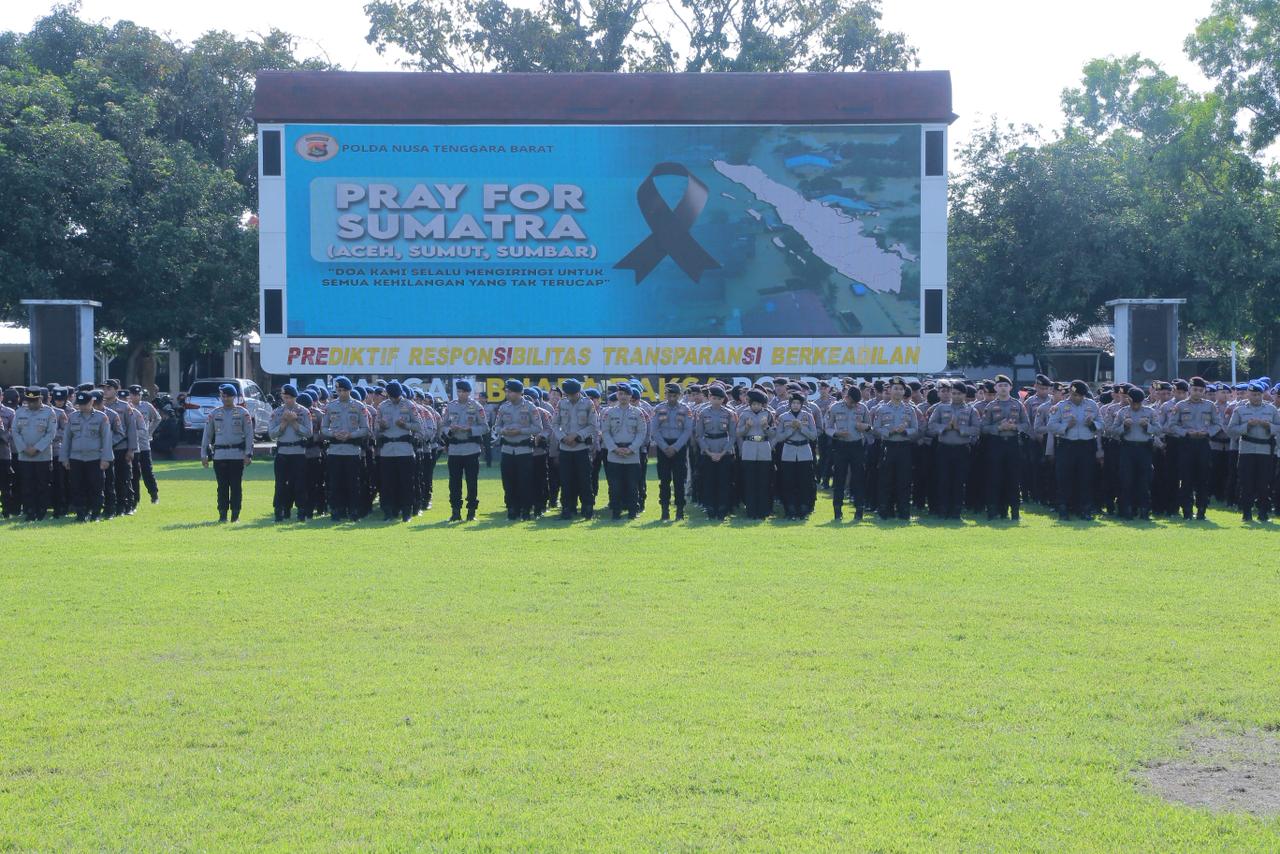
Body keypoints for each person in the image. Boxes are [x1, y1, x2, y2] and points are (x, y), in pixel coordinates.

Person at [1168, 377, 1222, 520]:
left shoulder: (1210, 406)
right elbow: (1172, 425)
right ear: (1190, 390)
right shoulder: (1180, 405)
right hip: (1186, 444)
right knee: (1186, 479)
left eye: (1200, 390)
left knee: (1203, 479)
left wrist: (1208, 432)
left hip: (1203, 444)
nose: (1197, 392)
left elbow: (1218, 424)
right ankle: (1187, 510)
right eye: (1195, 389)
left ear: (1204, 391)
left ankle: (1201, 510)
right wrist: (1186, 432)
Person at [1048, 380, 1102, 521]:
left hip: (1086, 446)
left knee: (1086, 478)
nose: (1077, 398)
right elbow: (1051, 425)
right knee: (1064, 478)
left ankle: (1085, 510)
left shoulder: (1092, 405)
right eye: (1075, 395)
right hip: (1067, 446)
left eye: (1080, 396)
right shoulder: (1060, 406)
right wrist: (1066, 426)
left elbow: (1101, 424)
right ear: (1070, 393)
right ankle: (1064, 509)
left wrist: (1092, 424)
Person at [201, 383, 254, 522]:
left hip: (237, 455)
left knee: (236, 486)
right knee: (222, 487)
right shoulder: (214, 413)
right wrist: (203, 454)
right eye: (222, 396)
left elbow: (249, 435)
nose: (225, 399)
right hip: (220, 456)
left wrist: (248, 453)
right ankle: (222, 515)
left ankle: (235, 515)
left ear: (234, 397)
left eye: (227, 396)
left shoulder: (243, 413)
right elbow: (207, 435)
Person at [1226, 382, 1278, 522]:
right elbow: (1231, 431)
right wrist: (1247, 425)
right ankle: (1246, 513)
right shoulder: (1239, 410)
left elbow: (1279, 427)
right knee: (1246, 483)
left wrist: (1269, 426)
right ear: (1248, 395)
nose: (1257, 397)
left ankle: (1263, 513)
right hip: (1246, 450)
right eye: (1254, 395)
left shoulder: (1271, 409)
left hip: (1265, 450)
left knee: (1264, 483)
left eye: (1259, 394)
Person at [926, 381, 979, 520]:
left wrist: (960, 429)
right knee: (943, 480)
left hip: (962, 450)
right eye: (953, 393)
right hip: (944, 449)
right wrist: (945, 427)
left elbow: (976, 429)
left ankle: (956, 512)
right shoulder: (940, 408)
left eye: (959, 394)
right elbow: (931, 426)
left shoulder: (971, 410)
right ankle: (943, 510)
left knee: (959, 481)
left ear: (964, 394)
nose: (956, 396)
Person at [980, 375, 1029, 521]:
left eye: (1005, 385)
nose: (1003, 388)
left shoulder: (1018, 405)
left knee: (1013, 479)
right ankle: (993, 511)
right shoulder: (990, 406)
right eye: (1000, 385)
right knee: (994, 478)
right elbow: (983, 427)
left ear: (1010, 387)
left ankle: (1014, 512)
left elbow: (1026, 424)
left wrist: (1015, 427)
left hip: (1013, 444)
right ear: (995, 388)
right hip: (996, 444)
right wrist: (998, 428)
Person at [59, 390, 113, 521]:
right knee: (77, 487)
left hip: (95, 458)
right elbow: (67, 439)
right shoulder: (72, 417)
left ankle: (95, 514)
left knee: (96, 487)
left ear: (91, 402)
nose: (82, 406)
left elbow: (107, 439)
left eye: (84, 404)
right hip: (76, 458)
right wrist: (64, 458)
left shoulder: (101, 417)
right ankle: (81, 514)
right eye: (80, 404)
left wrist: (106, 459)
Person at [320, 376, 368, 523]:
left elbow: (365, 429)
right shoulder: (330, 407)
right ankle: (336, 511)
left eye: (343, 390)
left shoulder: (359, 406)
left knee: (353, 483)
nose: (341, 393)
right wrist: (333, 434)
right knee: (335, 483)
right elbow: (323, 428)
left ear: (349, 390)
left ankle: (353, 511)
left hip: (352, 450)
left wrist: (351, 435)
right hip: (335, 450)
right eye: (338, 390)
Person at [1109, 386, 1160, 519]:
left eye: (1138, 403)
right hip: (1127, 448)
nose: (1136, 406)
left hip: (1144, 449)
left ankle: (1144, 510)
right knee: (1126, 480)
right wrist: (1124, 426)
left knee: (1144, 480)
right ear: (1129, 400)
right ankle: (1127, 510)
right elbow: (1112, 431)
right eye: (1133, 403)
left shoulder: (1150, 412)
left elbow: (1159, 430)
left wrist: (1147, 426)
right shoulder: (1122, 412)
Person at [494, 379, 540, 520]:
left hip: (523, 450)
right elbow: (496, 427)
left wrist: (520, 431)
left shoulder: (530, 407)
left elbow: (538, 428)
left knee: (525, 482)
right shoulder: (504, 407)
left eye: (510, 392)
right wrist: (503, 431)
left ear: (519, 393)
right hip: (507, 450)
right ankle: (512, 509)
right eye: (507, 391)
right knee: (508, 482)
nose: (507, 394)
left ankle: (526, 510)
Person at [873, 377, 917, 520]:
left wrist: (905, 431)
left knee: (904, 480)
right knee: (885, 480)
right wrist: (889, 431)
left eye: (901, 389)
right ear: (890, 390)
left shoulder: (910, 409)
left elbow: (915, 429)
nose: (898, 391)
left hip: (904, 447)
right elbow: (876, 429)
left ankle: (904, 512)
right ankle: (885, 511)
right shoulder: (882, 409)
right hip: (888, 447)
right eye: (895, 388)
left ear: (904, 391)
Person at [443, 380, 487, 522]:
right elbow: (443, 425)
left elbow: (485, 427)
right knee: (454, 483)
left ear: (468, 392)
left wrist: (470, 429)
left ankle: (471, 511)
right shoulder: (450, 406)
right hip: (455, 450)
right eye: (458, 391)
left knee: (471, 482)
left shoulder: (476, 406)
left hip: (471, 449)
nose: (460, 394)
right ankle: (455, 511)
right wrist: (450, 430)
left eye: (462, 391)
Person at [554, 378, 598, 520]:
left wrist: (577, 436)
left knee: (584, 480)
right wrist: (563, 437)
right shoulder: (561, 403)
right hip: (565, 448)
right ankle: (567, 508)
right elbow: (555, 424)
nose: (570, 397)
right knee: (566, 480)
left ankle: (587, 508)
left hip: (581, 448)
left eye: (573, 394)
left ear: (578, 392)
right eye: (568, 394)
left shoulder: (588, 403)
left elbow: (593, 425)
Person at [600, 383, 646, 519]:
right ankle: (616, 512)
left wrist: (631, 448)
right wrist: (614, 448)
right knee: (615, 485)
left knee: (632, 485)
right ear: (617, 395)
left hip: (632, 454)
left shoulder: (638, 413)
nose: (623, 396)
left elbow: (642, 433)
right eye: (620, 394)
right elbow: (605, 432)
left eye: (626, 394)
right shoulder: (609, 412)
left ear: (631, 396)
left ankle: (632, 512)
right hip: (614, 454)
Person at [11, 388, 57, 521]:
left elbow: (51, 433)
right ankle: (29, 511)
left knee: (42, 485)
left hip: (42, 456)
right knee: (27, 485)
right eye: (29, 401)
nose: (31, 403)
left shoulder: (49, 412)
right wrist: (24, 448)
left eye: (34, 401)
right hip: (24, 456)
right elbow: (15, 431)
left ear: (40, 399)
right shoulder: (20, 412)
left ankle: (41, 511)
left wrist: (37, 448)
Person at [826, 386, 871, 521]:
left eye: (856, 403)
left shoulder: (863, 408)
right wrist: (836, 433)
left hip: (857, 446)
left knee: (858, 479)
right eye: (852, 402)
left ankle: (859, 510)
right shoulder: (835, 408)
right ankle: (837, 511)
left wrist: (864, 427)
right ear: (846, 397)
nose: (854, 405)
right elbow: (827, 427)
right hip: (841, 446)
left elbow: (870, 427)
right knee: (839, 479)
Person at [268, 384, 313, 522]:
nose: (286, 400)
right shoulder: (277, 412)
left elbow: (309, 432)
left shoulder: (303, 412)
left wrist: (294, 423)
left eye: (289, 397)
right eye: (284, 397)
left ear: (294, 397)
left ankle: (301, 512)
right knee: (280, 484)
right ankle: (279, 511)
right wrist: (282, 424)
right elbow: (271, 434)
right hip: (282, 452)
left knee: (299, 484)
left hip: (298, 452)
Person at [650, 382, 693, 521]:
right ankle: (664, 510)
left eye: (675, 395)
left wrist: (675, 447)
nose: (672, 398)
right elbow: (654, 430)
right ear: (665, 395)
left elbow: (687, 430)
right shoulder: (658, 408)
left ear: (679, 395)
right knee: (664, 481)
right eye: (669, 395)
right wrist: (665, 447)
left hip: (679, 448)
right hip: (663, 447)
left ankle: (680, 511)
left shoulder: (685, 409)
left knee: (679, 481)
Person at [695, 385, 737, 520]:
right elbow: (699, 435)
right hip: (708, 450)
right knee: (708, 481)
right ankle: (710, 509)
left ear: (723, 399)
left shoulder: (729, 413)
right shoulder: (702, 413)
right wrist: (708, 452)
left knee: (724, 481)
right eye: (714, 398)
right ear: (709, 398)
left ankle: (723, 509)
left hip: (724, 451)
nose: (716, 401)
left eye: (719, 398)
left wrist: (723, 452)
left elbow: (733, 436)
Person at [775, 392, 818, 519]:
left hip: (804, 451)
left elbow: (813, 436)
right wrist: (791, 430)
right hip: (789, 450)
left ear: (801, 404)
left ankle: (804, 508)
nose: (795, 405)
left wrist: (801, 428)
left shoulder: (808, 416)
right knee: (789, 482)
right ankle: (790, 509)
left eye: (798, 403)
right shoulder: (783, 417)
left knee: (804, 481)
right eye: (793, 403)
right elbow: (779, 437)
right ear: (790, 404)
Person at [101, 379, 139, 515]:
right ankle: (110, 505)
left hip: (121, 448)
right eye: (104, 388)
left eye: (109, 388)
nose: (105, 391)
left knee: (123, 478)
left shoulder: (124, 407)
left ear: (116, 390)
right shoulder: (99, 406)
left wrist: (131, 449)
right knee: (108, 479)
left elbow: (131, 429)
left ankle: (126, 506)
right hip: (105, 449)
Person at [737, 389, 776, 519]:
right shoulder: (744, 414)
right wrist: (747, 427)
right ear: (750, 404)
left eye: (758, 404)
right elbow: (738, 433)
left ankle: (763, 510)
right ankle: (751, 510)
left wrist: (766, 427)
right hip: (749, 447)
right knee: (750, 481)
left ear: (762, 404)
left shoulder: (768, 414)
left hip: (764, 448)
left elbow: (773, 434)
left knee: (764, 481)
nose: (756, 407)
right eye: (753, 404)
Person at [127, 385, 161, 506]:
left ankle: (154, 495)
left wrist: (149, 432)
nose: (136, 397)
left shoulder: (146, 406)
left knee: (147, 471)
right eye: (134, 394)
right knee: (134, 473)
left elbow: (157, 418)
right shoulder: (126, 407)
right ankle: (135, 498)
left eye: (138, 394)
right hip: (131, 445)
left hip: (143, 444)